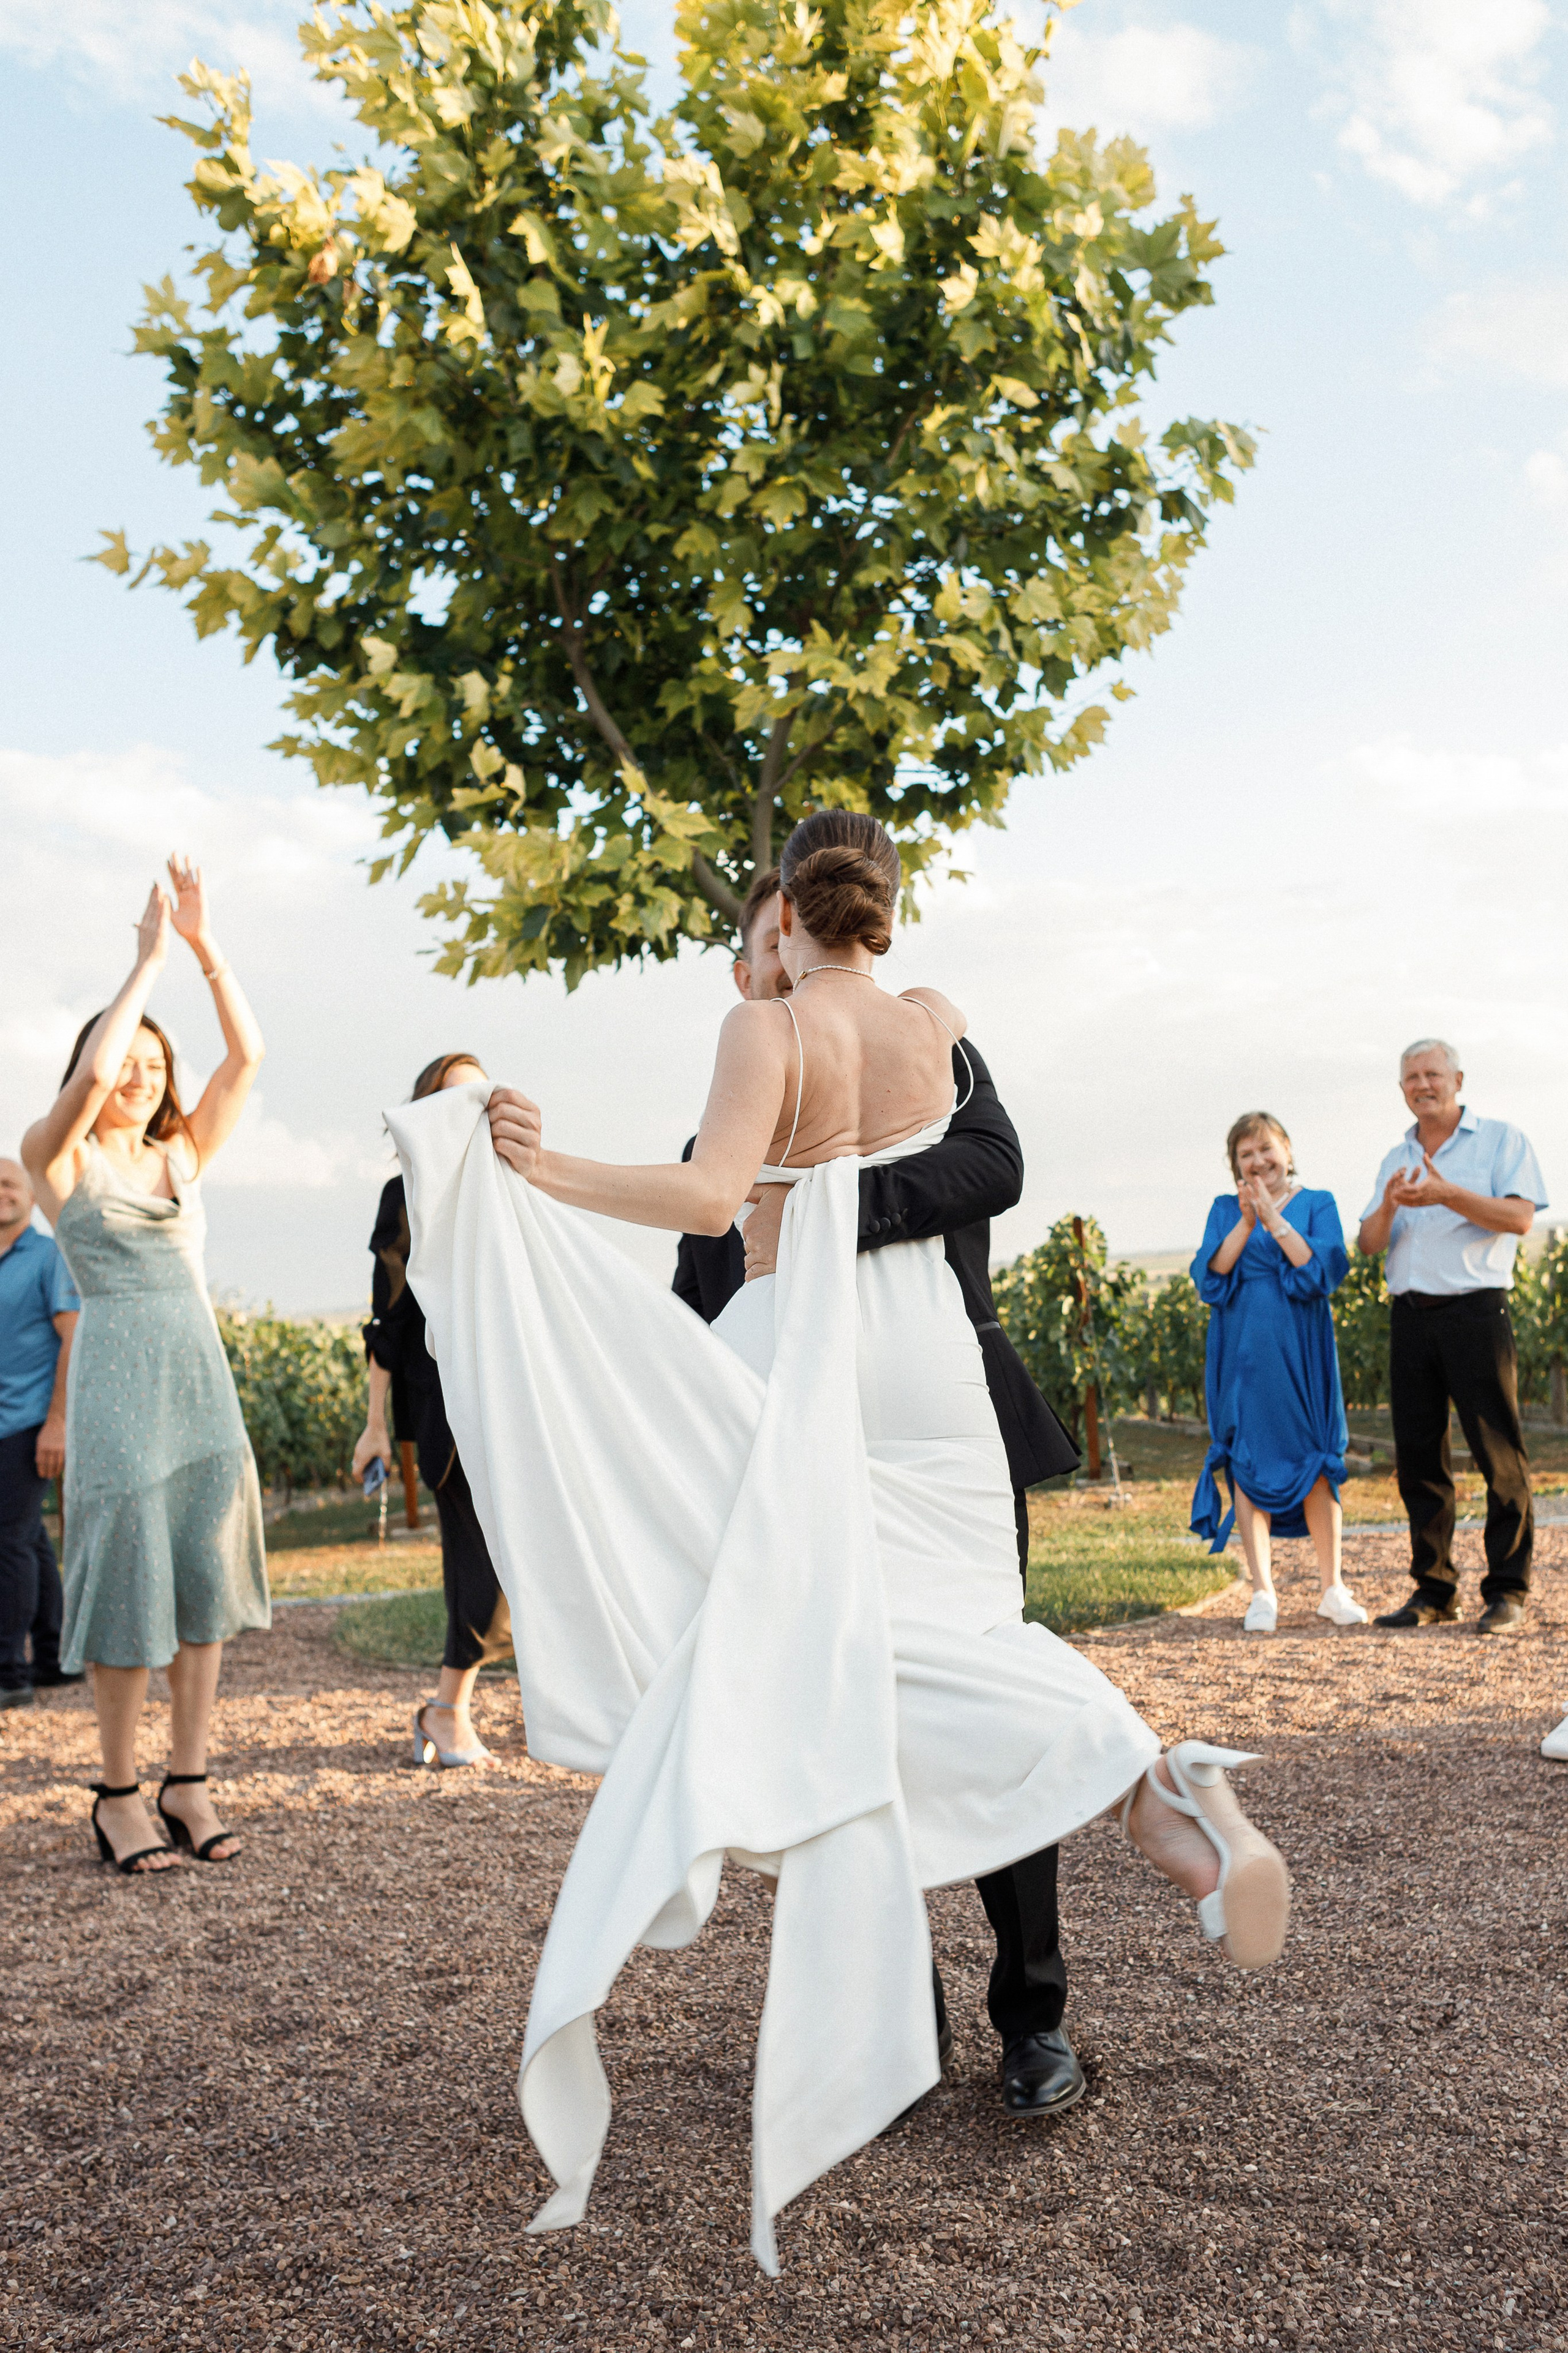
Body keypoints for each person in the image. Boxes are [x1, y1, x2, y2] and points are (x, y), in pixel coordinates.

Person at [391, 809, 1293, 2275]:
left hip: (802, 1348)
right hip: (932, 1362)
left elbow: (700, 1198)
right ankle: (1157, 1792)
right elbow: (972, 1156)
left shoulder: (767, 1028)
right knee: (960, 1635)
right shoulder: (936, 1019)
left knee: (802, 1641)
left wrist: (545, 1172)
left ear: (791, 921)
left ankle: (1068, 1857)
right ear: (886, 905)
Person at [676, 867, 1088, 2122]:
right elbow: (700, 1302)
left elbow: (992, 1166)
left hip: (943, 1423)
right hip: (800, 1455)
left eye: (786, 944)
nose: (778, 968)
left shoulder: (926, 1040)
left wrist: (822, 1213)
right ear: (749, 970)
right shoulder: (722, 1133)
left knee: (994, 1695)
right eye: (758, 954)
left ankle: (1033, 2017)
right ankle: (889, 2018)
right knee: (834, 1721)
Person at [21, 860, 270, 1874]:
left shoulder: (184, 1156)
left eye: (156, 1067)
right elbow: (87, 1083)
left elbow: (248, 1057)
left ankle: (189, 1781)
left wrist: (206, 955)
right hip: (121, 1394)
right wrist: (147, 963)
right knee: (127, 1595)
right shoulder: (60, 1161)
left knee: (204, 1591)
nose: (143, 1077)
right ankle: (117, 1793)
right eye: (131, 1063)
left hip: (200, 1393)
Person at [352, 1051, 510, 1769]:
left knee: (516, 1549)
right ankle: (447, 1709)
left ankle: (452, 1705)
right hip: (443, 1398)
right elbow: (384, 1325)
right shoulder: (403, 1196)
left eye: (478, 1093)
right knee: (481, 1553)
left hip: (510, 1388)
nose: (469, 1105)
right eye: (453, 1096)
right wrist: (376, 1425)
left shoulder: (508, 1184)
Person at [1358, 1040, 1548, 1634]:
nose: (1423, 1084)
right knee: (1417, 1458)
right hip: (1410, 1315)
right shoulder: (1396, 1154)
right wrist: (1389, 1205)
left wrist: (1447, 1195)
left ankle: (1507, 1590)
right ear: (1401, 1089)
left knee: (1498, 1454)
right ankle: (1434, 1589)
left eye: (1432, 1073)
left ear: (1457, 1079)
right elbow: (1368, 1243)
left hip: (1474, 1312)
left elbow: (1519, 1218)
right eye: (1411, 1077)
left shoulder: (1501, 1140)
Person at [1190, 1114, 1366, 1632]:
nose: (1258, 1161)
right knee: (1248, 1458)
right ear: (1235, 1164)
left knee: (1315, 1456)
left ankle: (1332, 1587)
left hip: (1302, 1348)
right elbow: (1212, 1274)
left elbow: (1322, 1269)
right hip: (1243, 1353)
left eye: (1266, 1149)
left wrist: (1273, 1218)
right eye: (1246, 1154)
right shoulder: (1225, 1209)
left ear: (1287, 1150)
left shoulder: (1319, 1202)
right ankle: (1263, 1592)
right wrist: (1247, 1221)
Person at [0, 1158, 83, 1705]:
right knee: (27, 1536)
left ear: (30, 1196)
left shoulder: (51, 1256)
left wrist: (57, 1424)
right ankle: (54, 1658)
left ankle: (8, 1673)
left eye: (9, 1183)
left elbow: (75, 1341)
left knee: (6, 1542)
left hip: (29, 1422)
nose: (0, 1193)